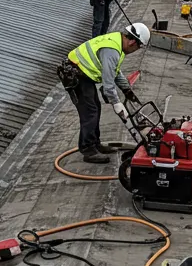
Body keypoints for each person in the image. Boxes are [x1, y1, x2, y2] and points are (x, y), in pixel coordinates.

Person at [58, 23, 151, 164]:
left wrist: (127, 90)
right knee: (90, 112)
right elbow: (108, 85)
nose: (134, 51)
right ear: (132, 42)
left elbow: (115, 71)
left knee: (95, 108)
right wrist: (117, 103)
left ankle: (95, 143)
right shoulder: (112, 49)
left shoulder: (117, 42)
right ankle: (88, 150)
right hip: (76, 75)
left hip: (83, 75)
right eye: (137, 48)